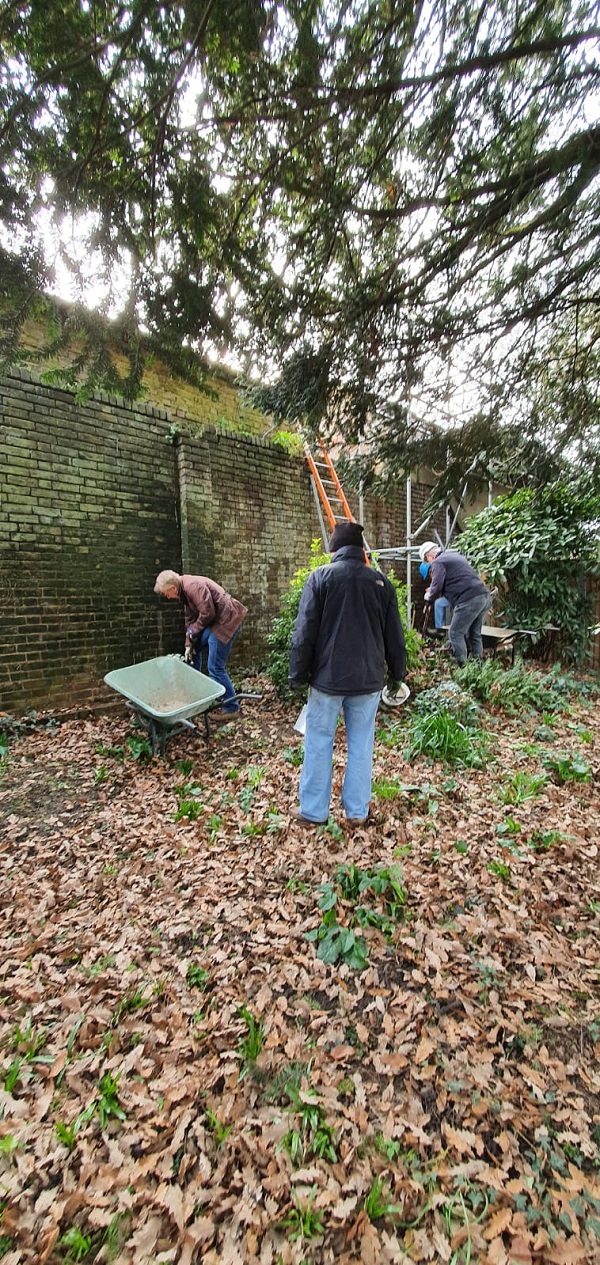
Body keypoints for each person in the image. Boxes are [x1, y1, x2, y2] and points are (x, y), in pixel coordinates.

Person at [288, 522, 407, 827]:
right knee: (361, 744)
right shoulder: (381, 583)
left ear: (334, 550)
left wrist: (297, 674)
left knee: (318, 742)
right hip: (368, 680)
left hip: (327, 680)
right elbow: (395, 635)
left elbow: (305, 631)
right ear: (361, 550)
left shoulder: (321, 578)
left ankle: (313, 813)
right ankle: (357, 813)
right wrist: (397, 673)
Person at [154, 570, 248, 718]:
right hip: (215, 622)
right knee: (193, 650)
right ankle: (195, 695)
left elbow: (207, 613)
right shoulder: (184, 590)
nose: (167, 597)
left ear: (172, 588)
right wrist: (188, 643)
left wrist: (193, 632)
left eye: (166, 593)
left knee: (215, 668)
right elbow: (192, 620)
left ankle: (231, 708)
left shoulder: (192, 586)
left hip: (225, 622)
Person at [418, 541, 491, 666]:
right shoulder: (454, 556)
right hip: (482, 595)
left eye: (427, 561)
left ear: (429, 556)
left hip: (468, 599)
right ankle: (478, 670)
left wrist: (429, 597)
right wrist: (435, 590)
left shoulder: (437, 562)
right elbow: (456, 579)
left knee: (455, 633)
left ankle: (464, 669)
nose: (429, 563)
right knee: (474, 634)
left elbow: (437, 584)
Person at [419, 561, 451, 633]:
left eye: (428, 575)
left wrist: (432, 591)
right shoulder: (442, 570)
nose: (430, 577)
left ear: (431, 571)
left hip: (454, 595)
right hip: (451, 595)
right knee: (443, 604)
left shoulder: (438, 571)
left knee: (438, 603)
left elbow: (438, 586)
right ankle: (445, 629)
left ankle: (440, 630)